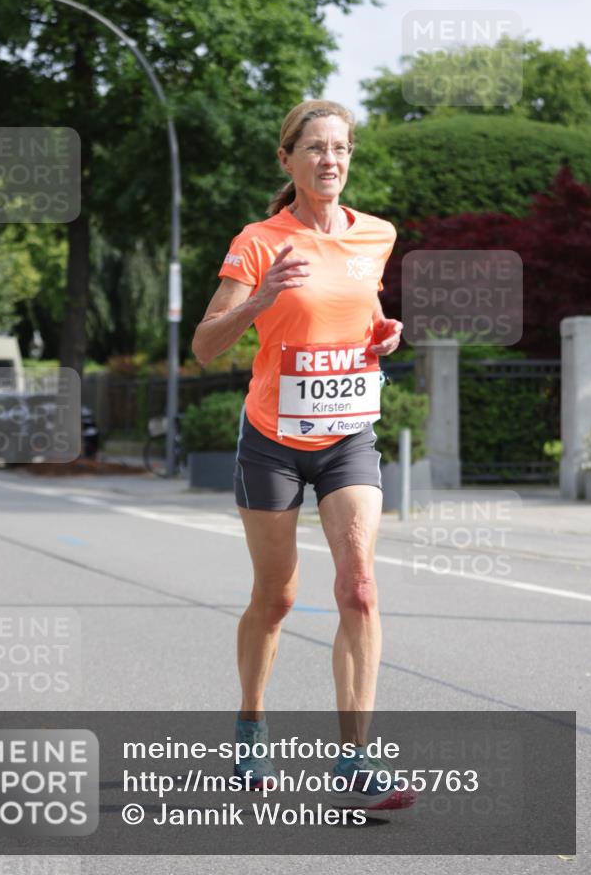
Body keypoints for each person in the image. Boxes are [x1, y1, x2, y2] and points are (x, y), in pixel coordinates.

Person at [192, 99, 412, 812]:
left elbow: (361, 312)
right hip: (273, 443)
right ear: (286, 160)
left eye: (340, 149)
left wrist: (384, 334)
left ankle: (355, 759)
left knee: (359, 587)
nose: (330, 161)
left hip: (348, 434)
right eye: (315, 148)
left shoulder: (375, 235)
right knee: (277, 595)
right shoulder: (258, 241)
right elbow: (204, 347)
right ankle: (251, 725)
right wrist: (259, 300)